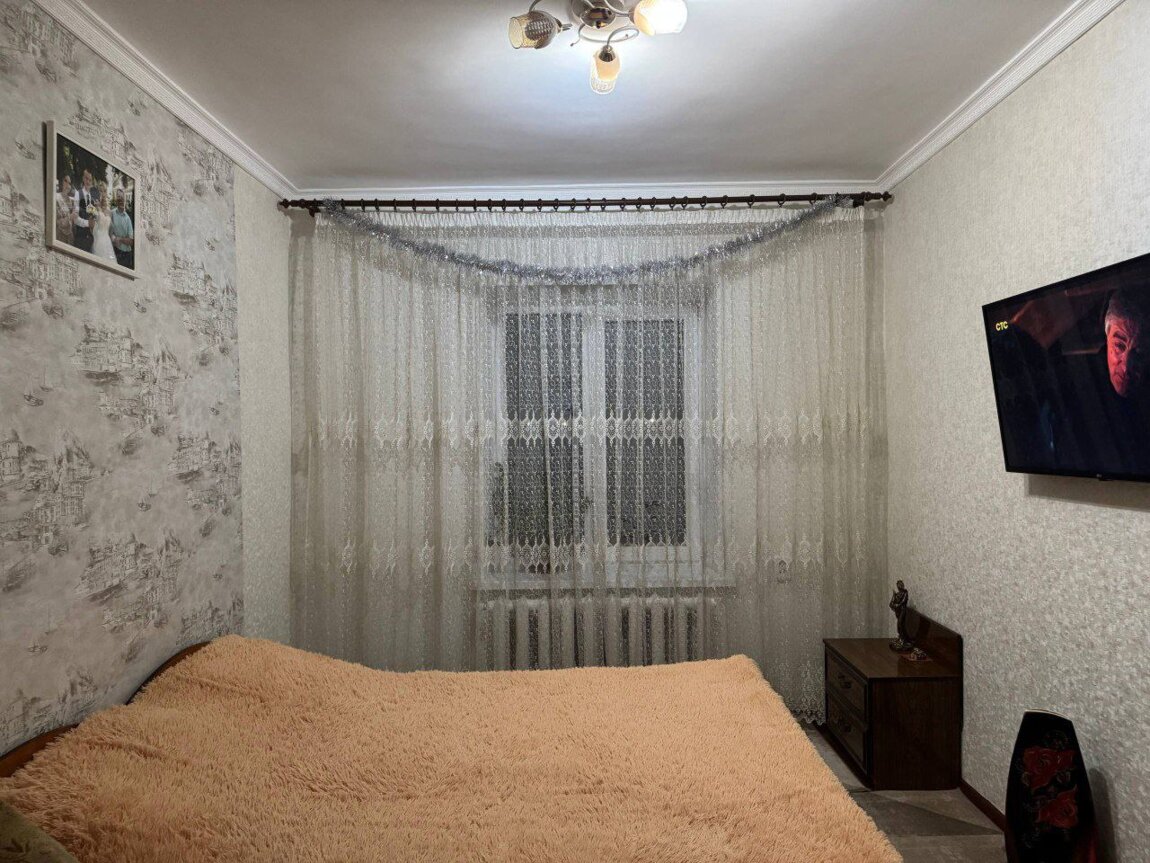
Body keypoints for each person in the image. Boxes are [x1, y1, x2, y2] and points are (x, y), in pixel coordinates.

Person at [71, 169, 96, 252]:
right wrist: (87, 223)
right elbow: (75, 219)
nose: (88, 182)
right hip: (80, 238)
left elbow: (93, 217)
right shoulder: (78, 194)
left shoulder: (92, 198)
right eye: (86, 178)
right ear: (83, 178)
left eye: (90, 180)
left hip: (90, 239)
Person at [109, 189, 134, 270]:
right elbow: (108, 231)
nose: (120, 199)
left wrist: (120, 239)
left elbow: (131, 241)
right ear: (116, 199)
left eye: (122, 197)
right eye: (118, 197)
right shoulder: (112, 213)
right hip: (114, 251)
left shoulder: (128, 218)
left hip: (126, 255)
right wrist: (114, 238)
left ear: (125, 200)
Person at [90, 182, 115, 261]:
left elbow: (110, 230)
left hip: (107, 243)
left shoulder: (109, 211)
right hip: (97, 240)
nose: (103, 193)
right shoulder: (93, 208)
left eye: (104, 191)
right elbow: (91, 226)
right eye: (100, 191)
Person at [54, 175, 74, 245]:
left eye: (69, 183)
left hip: (69, 239)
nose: (68, 185)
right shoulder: (56, 197)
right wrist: (70, 217)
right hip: (59, 237)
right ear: (61, 182)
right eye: (65, 181)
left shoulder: (71, 201)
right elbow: (57, 221)